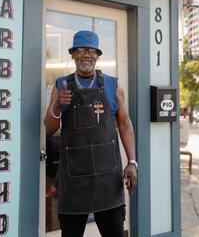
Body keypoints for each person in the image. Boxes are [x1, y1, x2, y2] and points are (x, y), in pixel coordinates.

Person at [44, 30, 137, 237]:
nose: (86, 54)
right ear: (73, 54)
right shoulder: (61, 86)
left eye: (91, 50)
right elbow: (49, 129)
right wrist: (58, 105)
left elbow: (125, 124)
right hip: (73, 178)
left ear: (97, 55)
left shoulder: (113, 86)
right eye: (81, 50)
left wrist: (132, 162)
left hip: (107, 178)